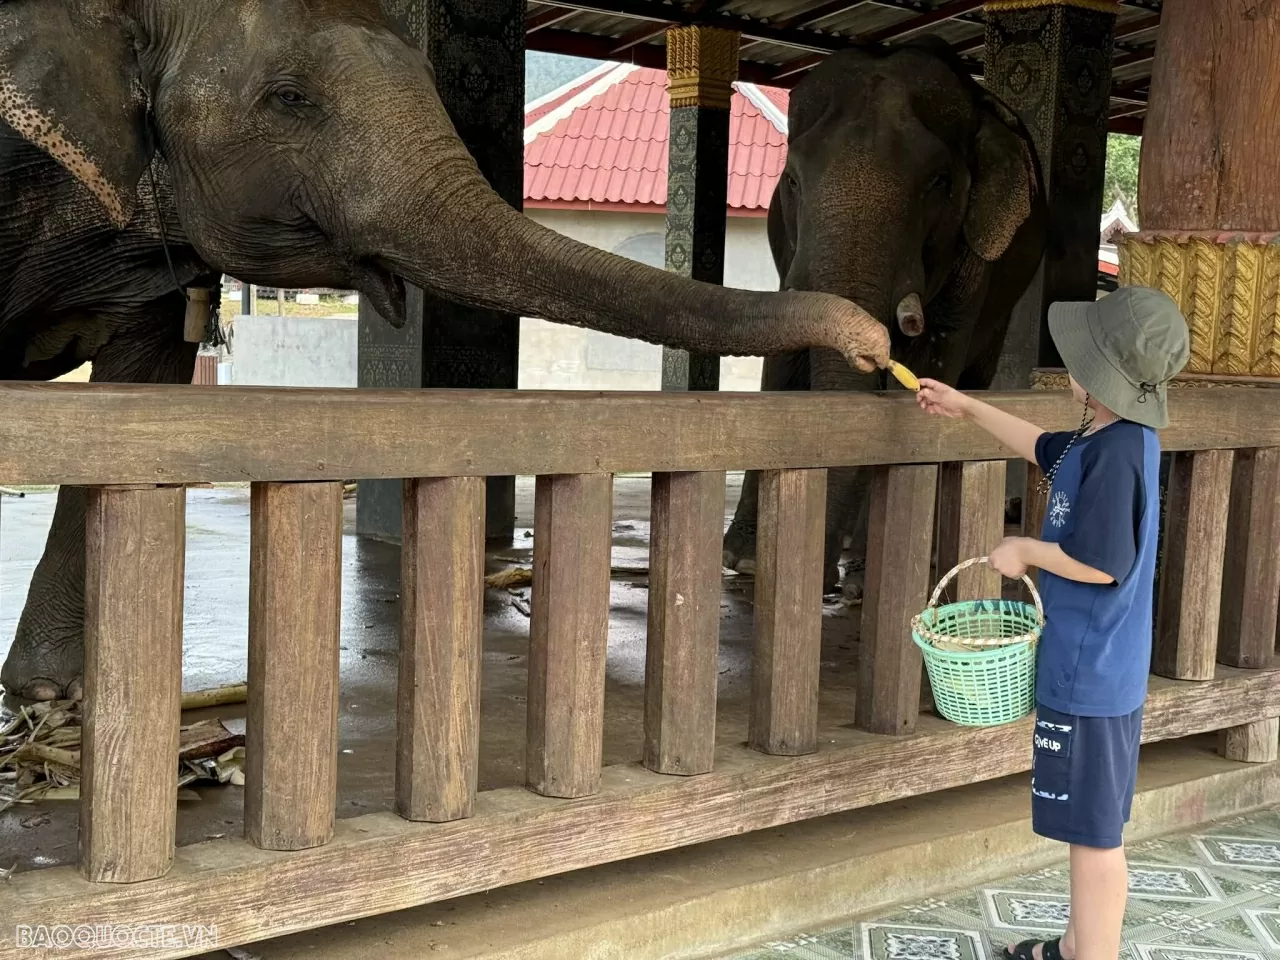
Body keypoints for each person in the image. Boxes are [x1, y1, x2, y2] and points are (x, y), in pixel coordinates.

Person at [915, 286, 1190, 960]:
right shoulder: (1106, 436)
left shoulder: (1121, 450)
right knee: (1091, 830)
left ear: (1101, 378)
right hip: (1101, 668)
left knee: (1095, 838)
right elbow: (1042, 447)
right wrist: (965, 405)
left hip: (1089, 675)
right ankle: (1075, 947)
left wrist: (1025, 553)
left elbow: (1103, 563)